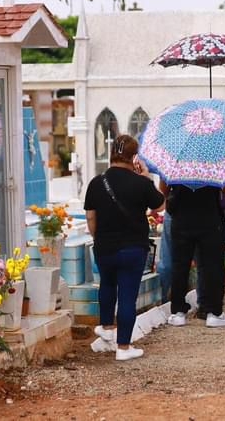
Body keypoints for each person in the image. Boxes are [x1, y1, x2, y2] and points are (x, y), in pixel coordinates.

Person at [84, 134, 164, 361]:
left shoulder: (96, 182)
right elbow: (159, 206)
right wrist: (147, 177)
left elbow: (91, 217)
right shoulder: (140, 183)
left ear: (112, 154)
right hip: (133, 248)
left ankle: (107, 327)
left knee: (107, 285)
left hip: (104, 246)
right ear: (134, 157)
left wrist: (99, 238)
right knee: (127, 295)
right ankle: (124, 347)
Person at [166, 178, 225, 328]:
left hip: (181, 218)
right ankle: (214, 312)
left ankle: (178, 313)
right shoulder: (214, 160)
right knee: (214, 265)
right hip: (210, 218)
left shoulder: (176, 162)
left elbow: (164, 189)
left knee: (180, 266)